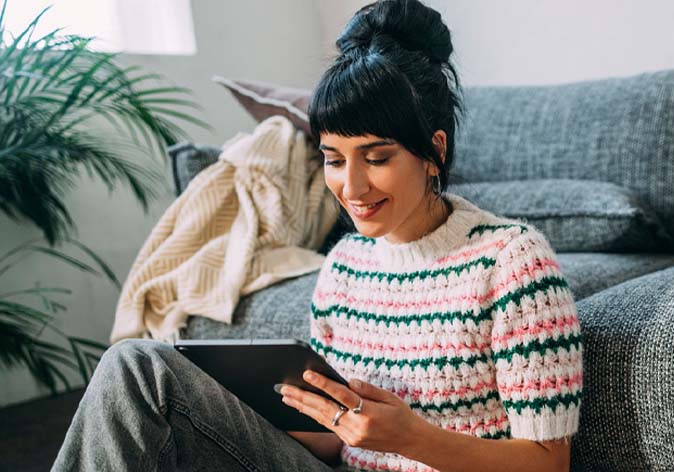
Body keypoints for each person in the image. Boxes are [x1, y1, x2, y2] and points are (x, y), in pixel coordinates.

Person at [51, 1, 583, 471]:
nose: (350, 187)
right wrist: (235, 405)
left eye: (376, 158)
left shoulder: (512, 262)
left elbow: (547, 463)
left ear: (434, 150)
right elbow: (329, 445)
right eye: (333, 160)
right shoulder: (344, 266)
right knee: (138, 366)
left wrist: (411, 438)